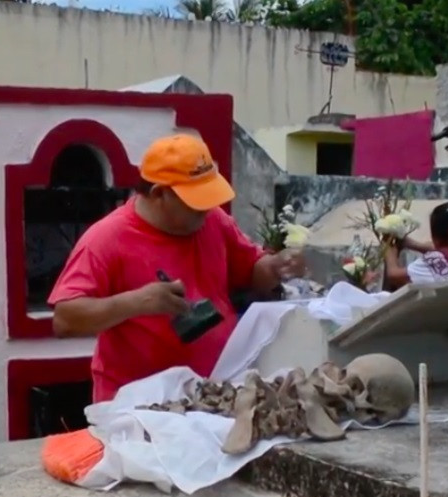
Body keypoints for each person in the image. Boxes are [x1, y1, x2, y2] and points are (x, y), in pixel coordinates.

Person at [48, 134, 304, 403]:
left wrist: (275, 267)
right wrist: (136, 303)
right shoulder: (105, 239)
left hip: (215, 393)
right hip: (140, 405)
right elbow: (65, 319)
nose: (206, 209)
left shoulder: (213, 220)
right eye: (196, 202)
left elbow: (251, 271)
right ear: (159, 193)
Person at [382, 201, 448, 291]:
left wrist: (389, 252)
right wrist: (413, 244)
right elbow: (442, 250)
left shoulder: (436, 260)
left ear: (436, 237)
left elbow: (394, 275)